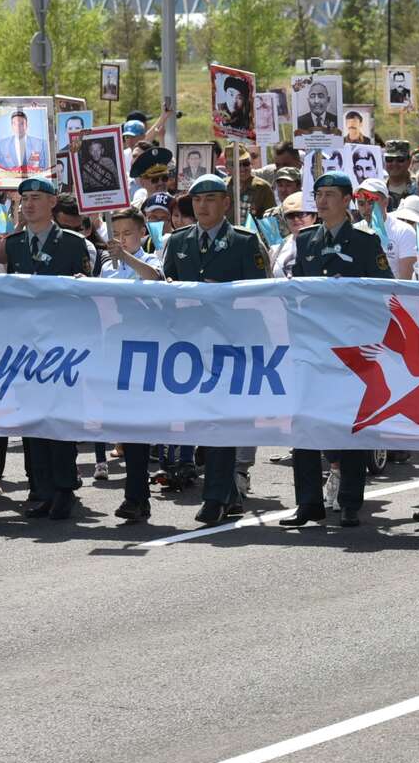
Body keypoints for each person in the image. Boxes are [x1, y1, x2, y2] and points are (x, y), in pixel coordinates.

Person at [157, 174, 271, 526]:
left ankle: (216, 496)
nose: (203, 205)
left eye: (211, 199)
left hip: (232, 342)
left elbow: (262, 293)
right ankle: (229, 493)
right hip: (191, 345)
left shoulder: (244, 241)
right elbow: (166, 288)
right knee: (204, 420)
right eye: (197, 200)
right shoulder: (177, 241)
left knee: (222, 419)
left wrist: (222, 291)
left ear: (225, 203)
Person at [281, 172, 389, 529]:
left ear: (347, 201)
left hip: (352, 345)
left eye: (330, 195)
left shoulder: (365, 240)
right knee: (305, 423)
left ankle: (350, 501)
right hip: (314, 345)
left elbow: (382, 292)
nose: (323, 201)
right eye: (319, 194)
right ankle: (308, 501)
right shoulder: (307, 238)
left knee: (350, 424)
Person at [6, 177, 91, 520]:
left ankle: (64, 488)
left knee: (58, 419)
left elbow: (85, 296)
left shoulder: (71, 244)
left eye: (36, 198)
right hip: (26, 346)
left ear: (53, 202)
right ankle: (39, 487)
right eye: (24, 198)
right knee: (32, 419)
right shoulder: (12, 245)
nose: (28, 204)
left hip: (62, 345)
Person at [0, 111, 45, 176]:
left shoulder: (40, 144)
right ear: (12, 126)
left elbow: (44, 168)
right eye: (15, 124)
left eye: (21, 124)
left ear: (26, 125)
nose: (18, 127)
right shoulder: (1, 144)